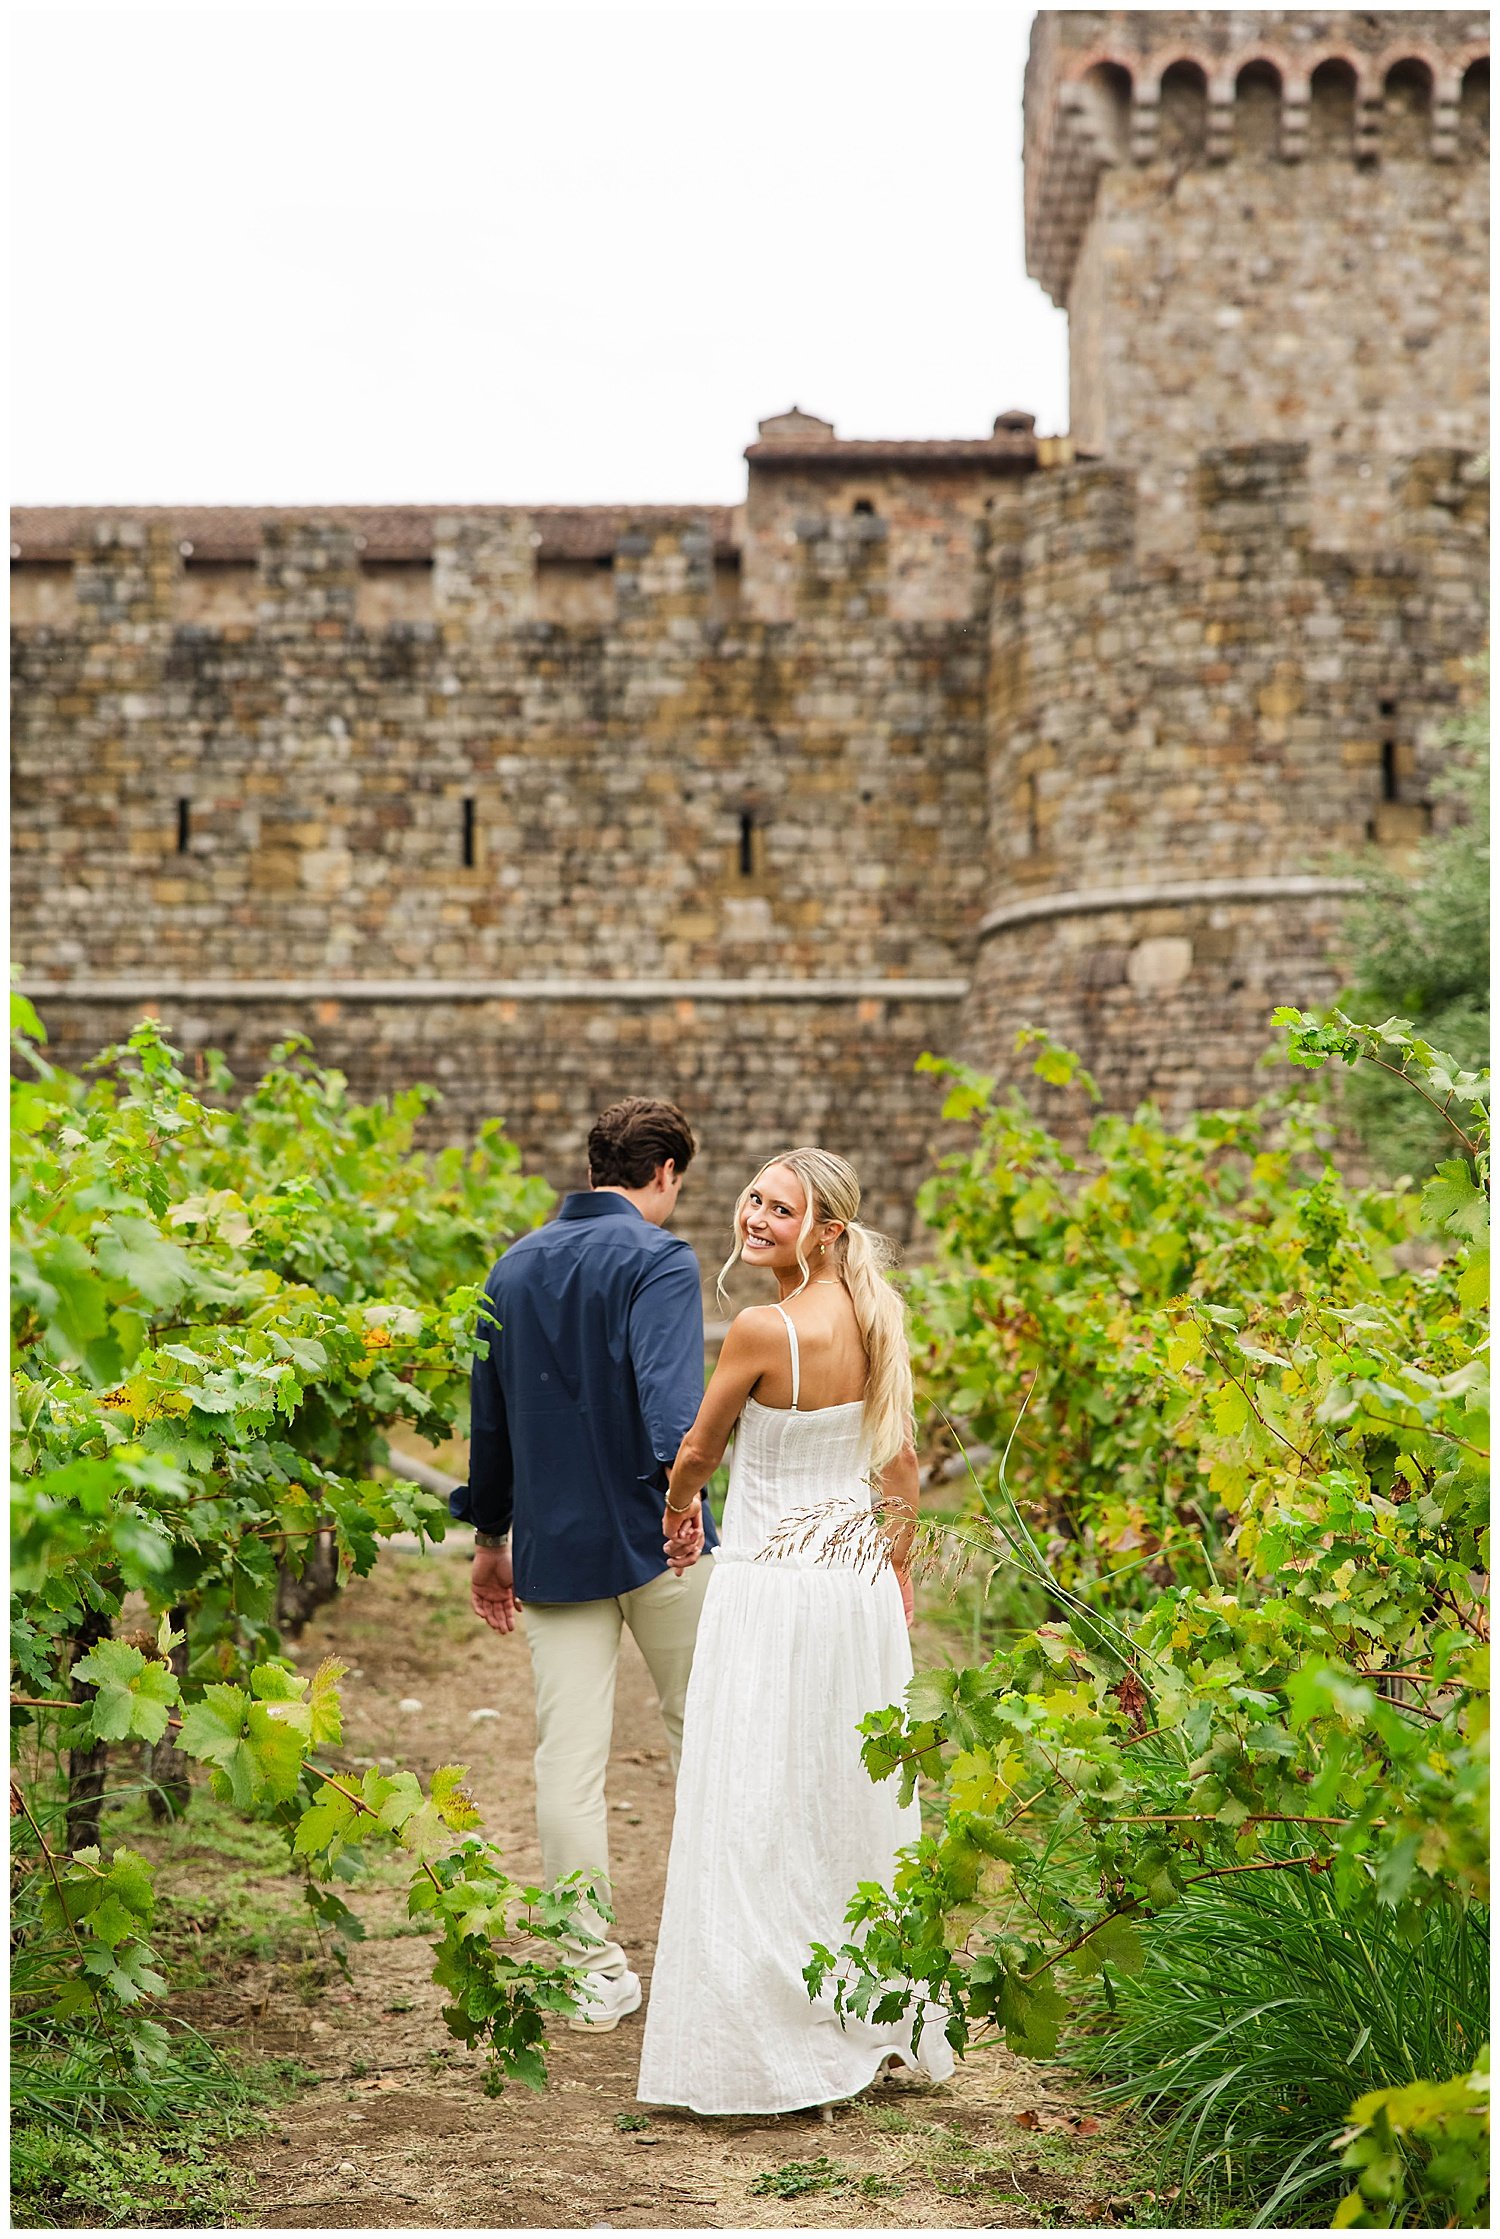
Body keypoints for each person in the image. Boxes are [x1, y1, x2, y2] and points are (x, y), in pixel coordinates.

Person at [636, 1148, 954, 2115]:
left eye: (782, 1207)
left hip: (773, 1585)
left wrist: (679, 1509)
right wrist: (895, 1573)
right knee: (847, 1795)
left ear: (825, 1228)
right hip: (853, 1584)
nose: (756, 1215)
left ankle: (763, 2028)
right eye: (753, 1198)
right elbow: (896, 1466)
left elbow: (699, 1444)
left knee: (756, 1793)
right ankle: (871, 2007)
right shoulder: (875, 1317)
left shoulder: (761, 1326)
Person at [450, 1095, 715, 2032]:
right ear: (666, 1173)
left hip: (554, 1547)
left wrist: (490, 1538)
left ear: (596, 1163)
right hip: (659, 1536)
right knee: (708, 1735)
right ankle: (712, 1943)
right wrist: (682, 1509)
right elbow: (672, 1401)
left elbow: (491, 1420)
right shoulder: (659, 1259)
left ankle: (589, 1969)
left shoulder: (511, 1267)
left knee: (567, 1759)